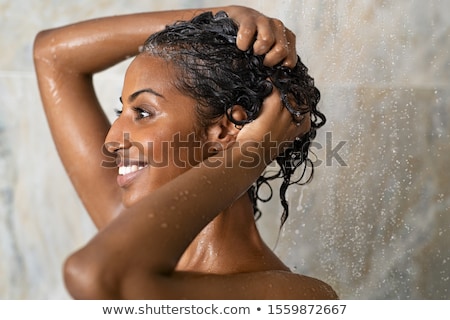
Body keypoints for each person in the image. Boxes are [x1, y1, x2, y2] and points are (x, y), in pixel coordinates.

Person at [33, 5, 337, 299]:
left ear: (226, 130)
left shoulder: (296, 297)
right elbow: (53, 56)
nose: (111, 140)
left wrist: (252, 151)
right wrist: (219, 17)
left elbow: (95, 275)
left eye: (142, 112)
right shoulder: (128, 237)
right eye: (120, 110)